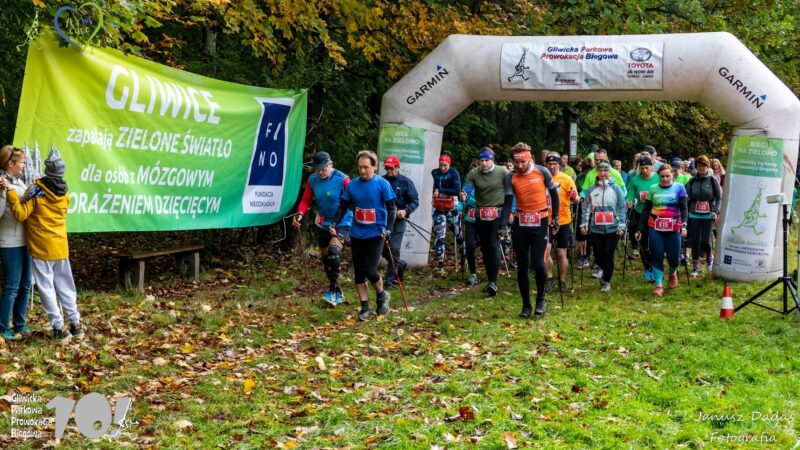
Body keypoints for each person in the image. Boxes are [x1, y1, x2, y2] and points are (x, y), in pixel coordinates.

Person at [4, 148, 83, 342]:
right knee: (66, 286)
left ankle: (59, 327)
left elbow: (21, 214)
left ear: (47, 170)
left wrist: (11, 192)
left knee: (47, 287)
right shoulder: (65, 191)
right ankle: (76, 324)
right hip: (60, 245)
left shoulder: (37, 189)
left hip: (41, 247)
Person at [330, 150, 396, 321]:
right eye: (360, 167)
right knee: (359, 273)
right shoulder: (352, 185)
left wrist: (388, 229)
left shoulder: (382, 184)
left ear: (374, 167)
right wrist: (334, 223)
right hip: (357, 233)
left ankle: (382, 295)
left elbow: (391, 209)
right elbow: (343, 206)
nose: (362, 171)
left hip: (377, 233)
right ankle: (365, 307)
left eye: (366, 167)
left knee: (369, 269)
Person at [501, 143, 560, 317]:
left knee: (539, 262)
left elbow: (555, 195)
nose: (520, 166)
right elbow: (507, 204)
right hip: (521, 222)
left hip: (540, 221)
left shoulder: (542, 172)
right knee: (522, 266)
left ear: (530, 158)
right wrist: (503, 225)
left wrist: (555, 217)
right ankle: (526, 304)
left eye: (523, 162)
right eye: (516, 162)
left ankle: (541, 299)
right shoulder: (511, 177)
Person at [294, 151, 353, 305]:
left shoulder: (343, 179)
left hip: (342, 220)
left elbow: (354, 199)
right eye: (317, 169)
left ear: (330, 164)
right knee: (326, 259)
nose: (320, 172)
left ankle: (331, 291)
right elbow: (306, 200)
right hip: (323, 222)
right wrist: (300, 214)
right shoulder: (312, 180)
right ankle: (338, 291)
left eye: (323, 168)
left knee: (334, 252)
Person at [635, 164, 689, 296]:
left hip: (674, 227)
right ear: (658, 176)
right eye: (662, 176)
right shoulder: (653, 189)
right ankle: (659, 285)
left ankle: (672, 273)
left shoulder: (679, 188)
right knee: (657, 255)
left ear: (672, 175)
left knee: (674, 258)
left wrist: (684, 225)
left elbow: (684, 208)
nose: (665, 179)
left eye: (667, 176)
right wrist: (640, 229)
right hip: (655, 227)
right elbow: (646, 210)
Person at [462, 147, 508, 296]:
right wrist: (463, 195)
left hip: (498, 213)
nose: (484, 163)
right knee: (486, 248)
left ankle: (493, 282)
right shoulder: (474, 173)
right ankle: (490, 280)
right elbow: (467, 189)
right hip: (481, 214)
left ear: (492, 159)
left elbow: (510, 192)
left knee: (494, 245)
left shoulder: (503, 172)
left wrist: (510, 211)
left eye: (487, 160)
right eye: (482, 161)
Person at [0, 146, 32, 341]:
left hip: (25, 241)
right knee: (12, 286)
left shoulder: (18, 181)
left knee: (25, 284)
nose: (24, 166)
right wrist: (2, 193)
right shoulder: (1, 182)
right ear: (11, 163)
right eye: (21, 163)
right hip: (9, 242)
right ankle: (3, 327)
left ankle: (20, 324)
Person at [580, 162, 627, 292]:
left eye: (606, 171)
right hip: (596, 229)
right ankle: (600, 266)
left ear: (610, 173)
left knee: (608, 254)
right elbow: (586, 209)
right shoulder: (591, 189)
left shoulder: (616, 188)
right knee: (599, 254)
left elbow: (621, 208)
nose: (603, 173)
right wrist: (584, 224)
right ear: (598, 173)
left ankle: (606, 281)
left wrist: (622, 225)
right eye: (601, 171)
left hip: (613, 228)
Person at [381, 155, 419, 289]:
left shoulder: (405, 182)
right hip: (383, 220)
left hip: (398, 220)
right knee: (381, 248)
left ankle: (390, 280)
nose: (389, 171)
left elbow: (415, 201)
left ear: (398, 167)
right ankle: (400, 264)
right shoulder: (381, 180)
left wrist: (406, 211)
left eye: (391, 168)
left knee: (394, 248)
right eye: (386, 168)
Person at [544, 153, 578, 292]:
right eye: (549, 164)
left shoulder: (567, 179)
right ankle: (549, 278)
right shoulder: (541, 178)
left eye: (555, 164)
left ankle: (562, 281)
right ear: (546, 164)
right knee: (545, 251)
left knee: (561, 252)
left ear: (559, 165)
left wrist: (575, 198)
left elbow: (575, 198)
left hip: (563, 220)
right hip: (545, 219)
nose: (552, 167)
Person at [685, 155, 722, 276]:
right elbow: (687, 198)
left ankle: (709, 258)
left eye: (704, 166)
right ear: (696, 167)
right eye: (699, 166)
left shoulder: (712, 180)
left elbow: (718, 197)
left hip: (708, 215)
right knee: (695, 240)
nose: (701, 169)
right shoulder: (692, 181)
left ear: (707, 167)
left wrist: (715, 211)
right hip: (694, 214)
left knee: (705, 240)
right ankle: (695, 267)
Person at [625, 156, 659, 280]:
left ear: (652, 167)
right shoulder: (635, 180)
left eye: (647, 167)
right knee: (644, 243)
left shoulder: (657, 178)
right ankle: (648, 268)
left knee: (655, 243)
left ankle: (656, 266)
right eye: (642, 168)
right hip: (641, 213)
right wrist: (628, 202)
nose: (645, 170)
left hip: (657, 213)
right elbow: (630, 195)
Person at [431, 154, 462, 276]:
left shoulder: (454, 173)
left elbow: (457, 190)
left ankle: (463, 256)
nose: (443, 168)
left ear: (449, 164)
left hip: (452, 207)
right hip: (439, 207)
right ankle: (440, 267)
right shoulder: (434, 172)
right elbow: (434, 187)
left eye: (445, 165)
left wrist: (441, 190)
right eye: (441, 165)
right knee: (440, 236)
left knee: (457, 232)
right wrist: (435, 192)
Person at [462, 161, 480, 286]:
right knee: (469, 245)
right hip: (470, 219)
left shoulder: (485, 184)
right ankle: (473, 273)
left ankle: (491, 273)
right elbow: (462, 201)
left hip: (485, 219)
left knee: (484, 243)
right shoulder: (467, 186)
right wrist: (457, 206)